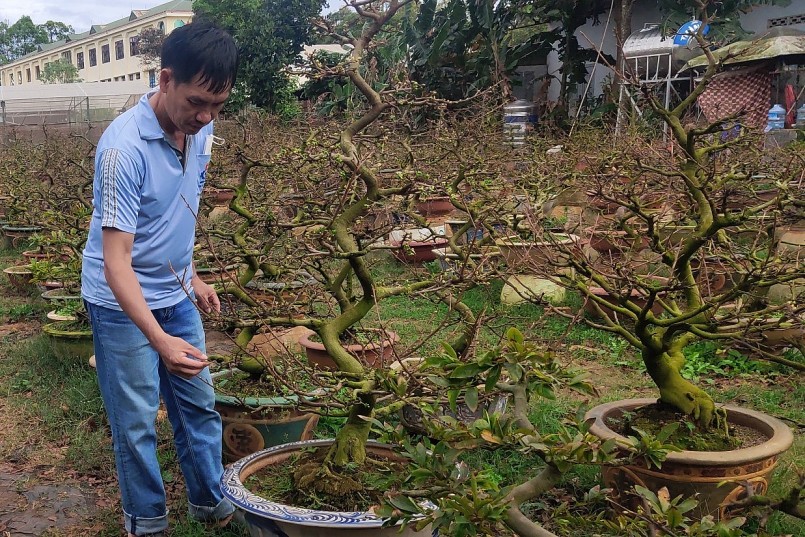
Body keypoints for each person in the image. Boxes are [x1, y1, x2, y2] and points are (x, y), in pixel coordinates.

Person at [81, 21, 239, 537]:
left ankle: (211, 506)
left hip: (174, 290)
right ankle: (147, 523)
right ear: (165, 79)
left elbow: (178, 209)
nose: (206, 116)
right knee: (136, 421)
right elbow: (116, 262)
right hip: (119, 300)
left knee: (200, 406)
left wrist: (190, 274)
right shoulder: (122, 150)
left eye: (217, 105)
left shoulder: (202, 127)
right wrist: (159, 338)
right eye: (197, 102)